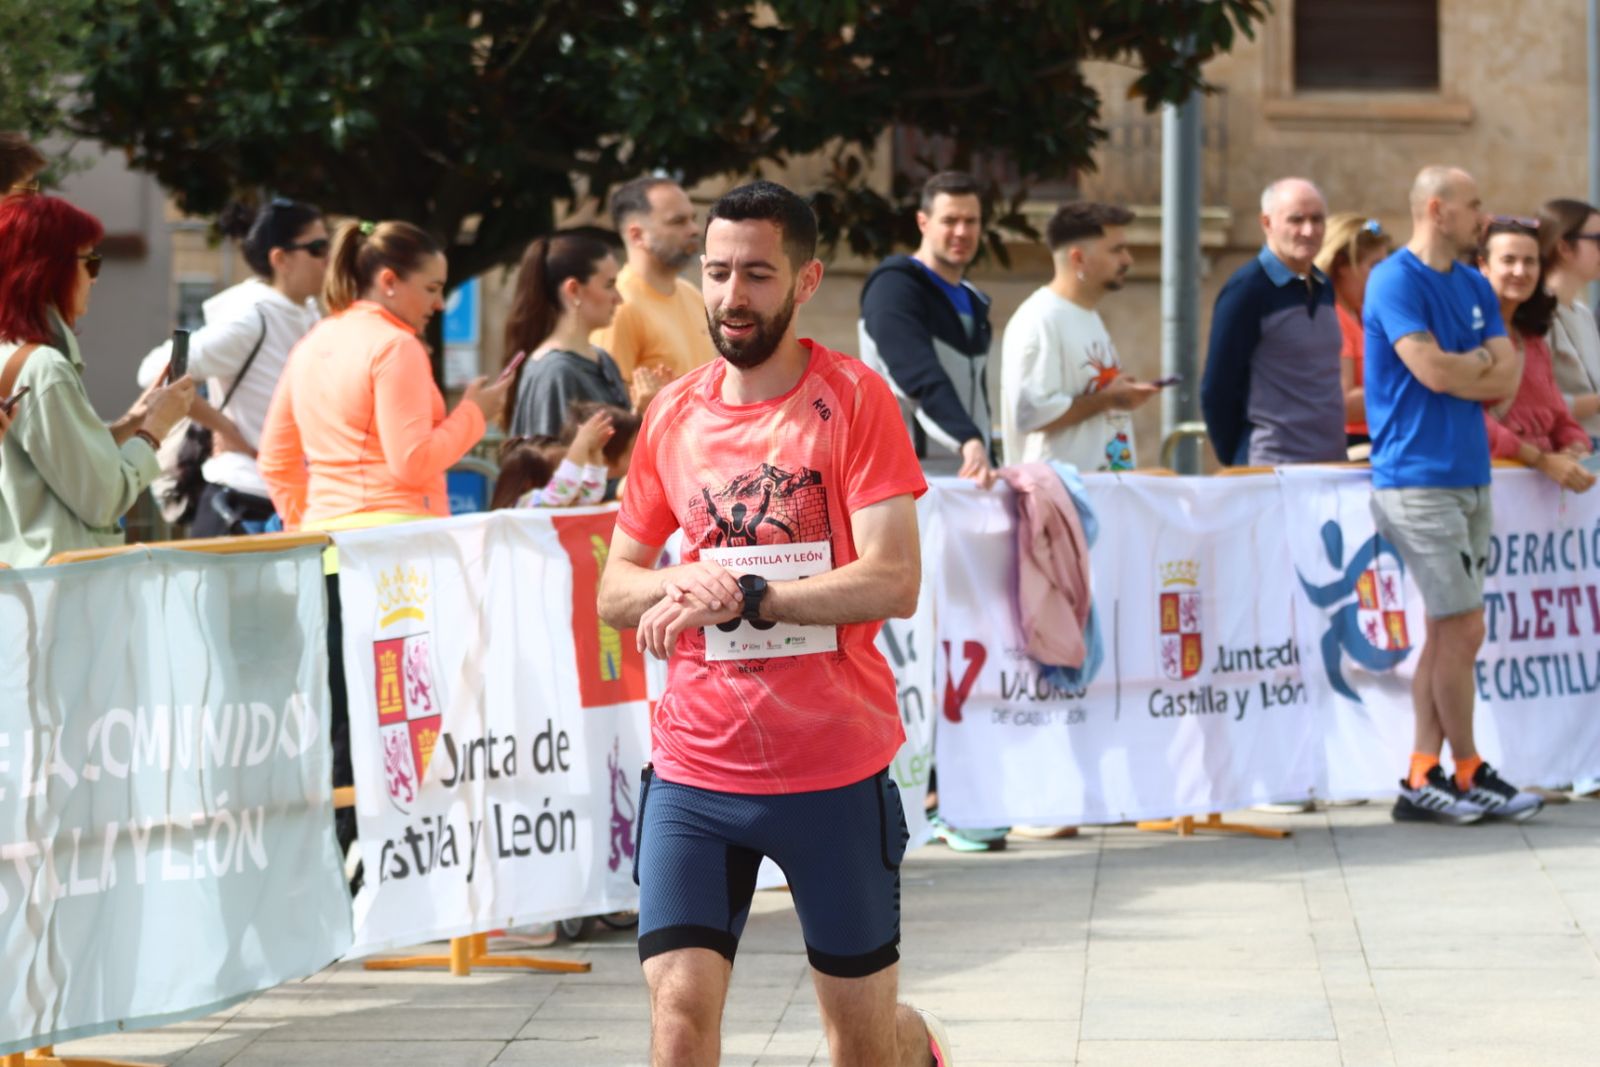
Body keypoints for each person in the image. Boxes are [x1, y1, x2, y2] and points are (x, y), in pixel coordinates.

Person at [596, 180, 952, 1067]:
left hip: (832, 767)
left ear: (805, 280)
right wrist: (687, 580)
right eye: (717, 272)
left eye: (757, 273)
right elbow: (615, 586)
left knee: (861, 1043)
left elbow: (894, 578)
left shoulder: (856, 401)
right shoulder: (673, 415)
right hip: (695, 771)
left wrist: (753, 596)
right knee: (678, 1015)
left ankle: (916, 1046)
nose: (731, 295)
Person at [1364, 165, 1543, 824]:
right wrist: (1470, 368)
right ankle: (1468, 768)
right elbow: (1432, 370)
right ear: (1437, 210)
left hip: (1469, 474)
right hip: (1416, 478)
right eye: (1474, 205)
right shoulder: (1393, 279)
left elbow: (1507, 377)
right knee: (1465, 624)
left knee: (1449, 630)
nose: (1483, 216)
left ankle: (1423, 773)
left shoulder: (1471, 282)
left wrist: (1465, 370)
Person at [258, 219, 506, 529]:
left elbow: (275, 461)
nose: (440, 304)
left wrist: (305, 526)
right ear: (388, 281)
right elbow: (412, 463)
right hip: (395, 537)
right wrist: (475, 414)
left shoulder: (310, 344)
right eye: (431, 288)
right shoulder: (396, 346)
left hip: (322, 536)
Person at [0, 194, 195, 566]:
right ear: (48, 270)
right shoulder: (45, 368)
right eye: (90, 263)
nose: (95, 279)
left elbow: (54, 461)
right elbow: (103, 498)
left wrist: (132, 423)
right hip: (57, 593)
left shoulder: (11, 354)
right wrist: (155, 429)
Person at [136, 198, 327, 535]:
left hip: (289, 499)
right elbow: (155, 369)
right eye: (317, 248)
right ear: (280, 259)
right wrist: (224, 427)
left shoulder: (308, 311)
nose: (328, 259)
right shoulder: (252, 317)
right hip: (242, 501)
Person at [860, 170, 997, 487]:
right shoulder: (893, 288)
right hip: (913, 482)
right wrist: (967, 439)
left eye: (971, 221)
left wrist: (983, 449)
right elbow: (917, 375)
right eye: (949, 220)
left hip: (971, 474)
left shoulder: (973, 299)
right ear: (923, 222)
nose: (962, 231)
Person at [1000, 201, 1158, 470]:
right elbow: (1031, 413)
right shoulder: (1040, 318)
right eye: (1116, 250)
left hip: (1103, 496)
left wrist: (1117, 392)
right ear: (1078, 258)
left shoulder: (1086, 314)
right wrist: (1108, 398)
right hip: (1060, 500)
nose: (1127, 260)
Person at [1201, 177, 1346, 467]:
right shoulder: (1247, 290)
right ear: (1267, 223)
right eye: (1296, 220)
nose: (1309, 230)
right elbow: (1217, 389)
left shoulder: (1323, 286)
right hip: (1272, 467)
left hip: (1330, 466)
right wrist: (1242, 464)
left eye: (1317, 219)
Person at [504, 230, 663, 440]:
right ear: (574, 290)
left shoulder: (601, 358)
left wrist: (646, 408)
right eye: (609, 285)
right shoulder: (555, 372)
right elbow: (557, 465)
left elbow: (612, 454)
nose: (618, 298)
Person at [1477, 217, 1596, 491]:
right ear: (1484, 265)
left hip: (1538, 499)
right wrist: (1540, 459)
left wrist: (1574, 446)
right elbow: (1465, 417)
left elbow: (1559, 415)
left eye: (1530, 261)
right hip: (1489, 486)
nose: (1520, 271)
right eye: (1508, 260)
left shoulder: (1532, 340)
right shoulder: (1463, 333)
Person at [591, 175, 717, 387]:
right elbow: (607, 406)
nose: (694, 229)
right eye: (678, 221)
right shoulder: (618, 306)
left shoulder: (692, 295)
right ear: (637, 235)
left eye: (692, 219)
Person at [1314, 213, 1391, 451]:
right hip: (1352, 448)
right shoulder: (1333, 319)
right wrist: (1408, 386)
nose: (1384, 276)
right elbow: (1342, 403)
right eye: (1375, 266)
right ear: (1341, 267)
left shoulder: (1362, 316)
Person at [1538, 198, 1600, 449]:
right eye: (1597, 240)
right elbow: (1534, 405)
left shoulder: (1583, 312)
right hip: (1565, 450)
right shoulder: (1536, 313)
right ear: (1564, 247)